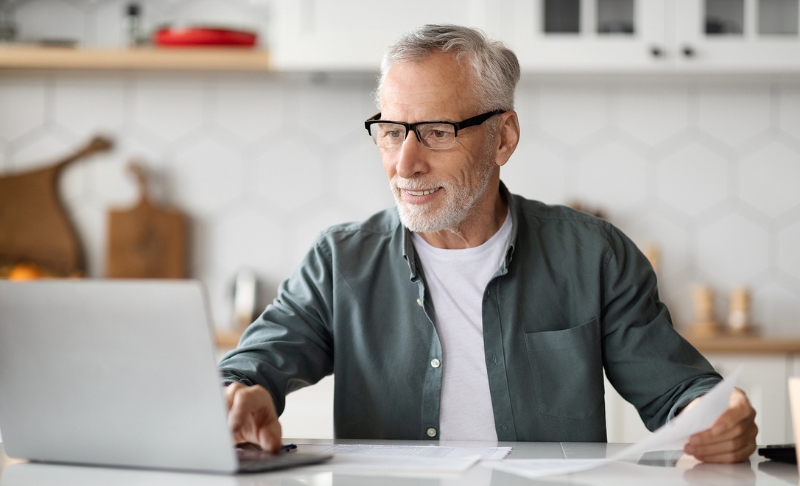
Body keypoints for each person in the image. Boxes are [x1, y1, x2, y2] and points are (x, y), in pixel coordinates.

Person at [219, 24, 757, 463]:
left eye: (435, 131)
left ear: (503, 138)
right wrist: (240, 395)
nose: (405, 163)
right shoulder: (340, 260)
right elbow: (254, 364)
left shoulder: (595, 256)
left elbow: (676, 392)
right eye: (390, 130)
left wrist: (717, 415)